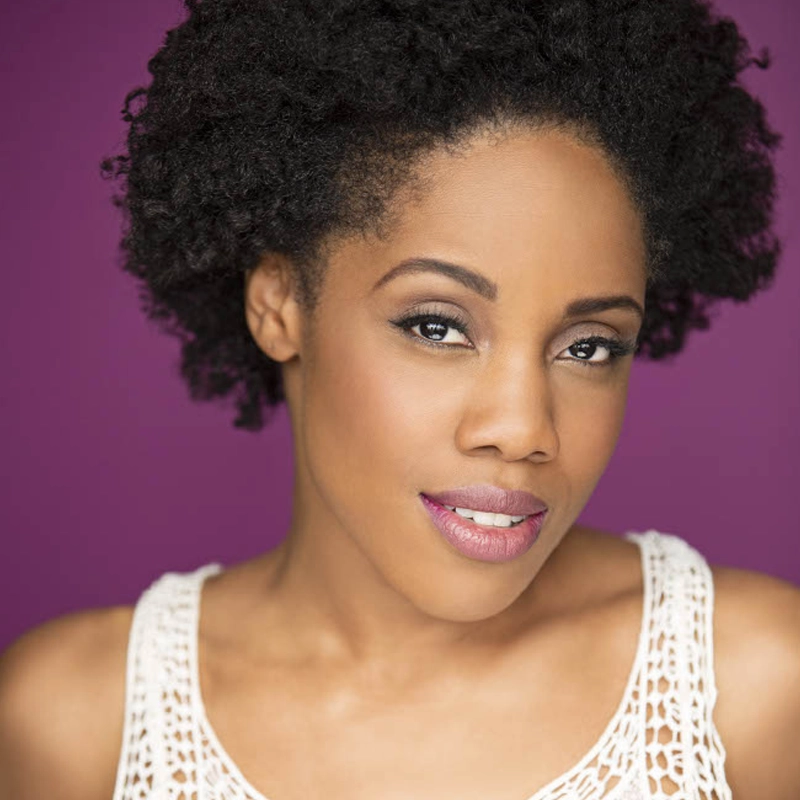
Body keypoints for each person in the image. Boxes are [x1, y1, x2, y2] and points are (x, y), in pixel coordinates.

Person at [1, 0, 798, 797]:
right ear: (280, 304)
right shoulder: (79, 726)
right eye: (437, 327)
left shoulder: (754, 690)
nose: (522, 428)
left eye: (588, 346)